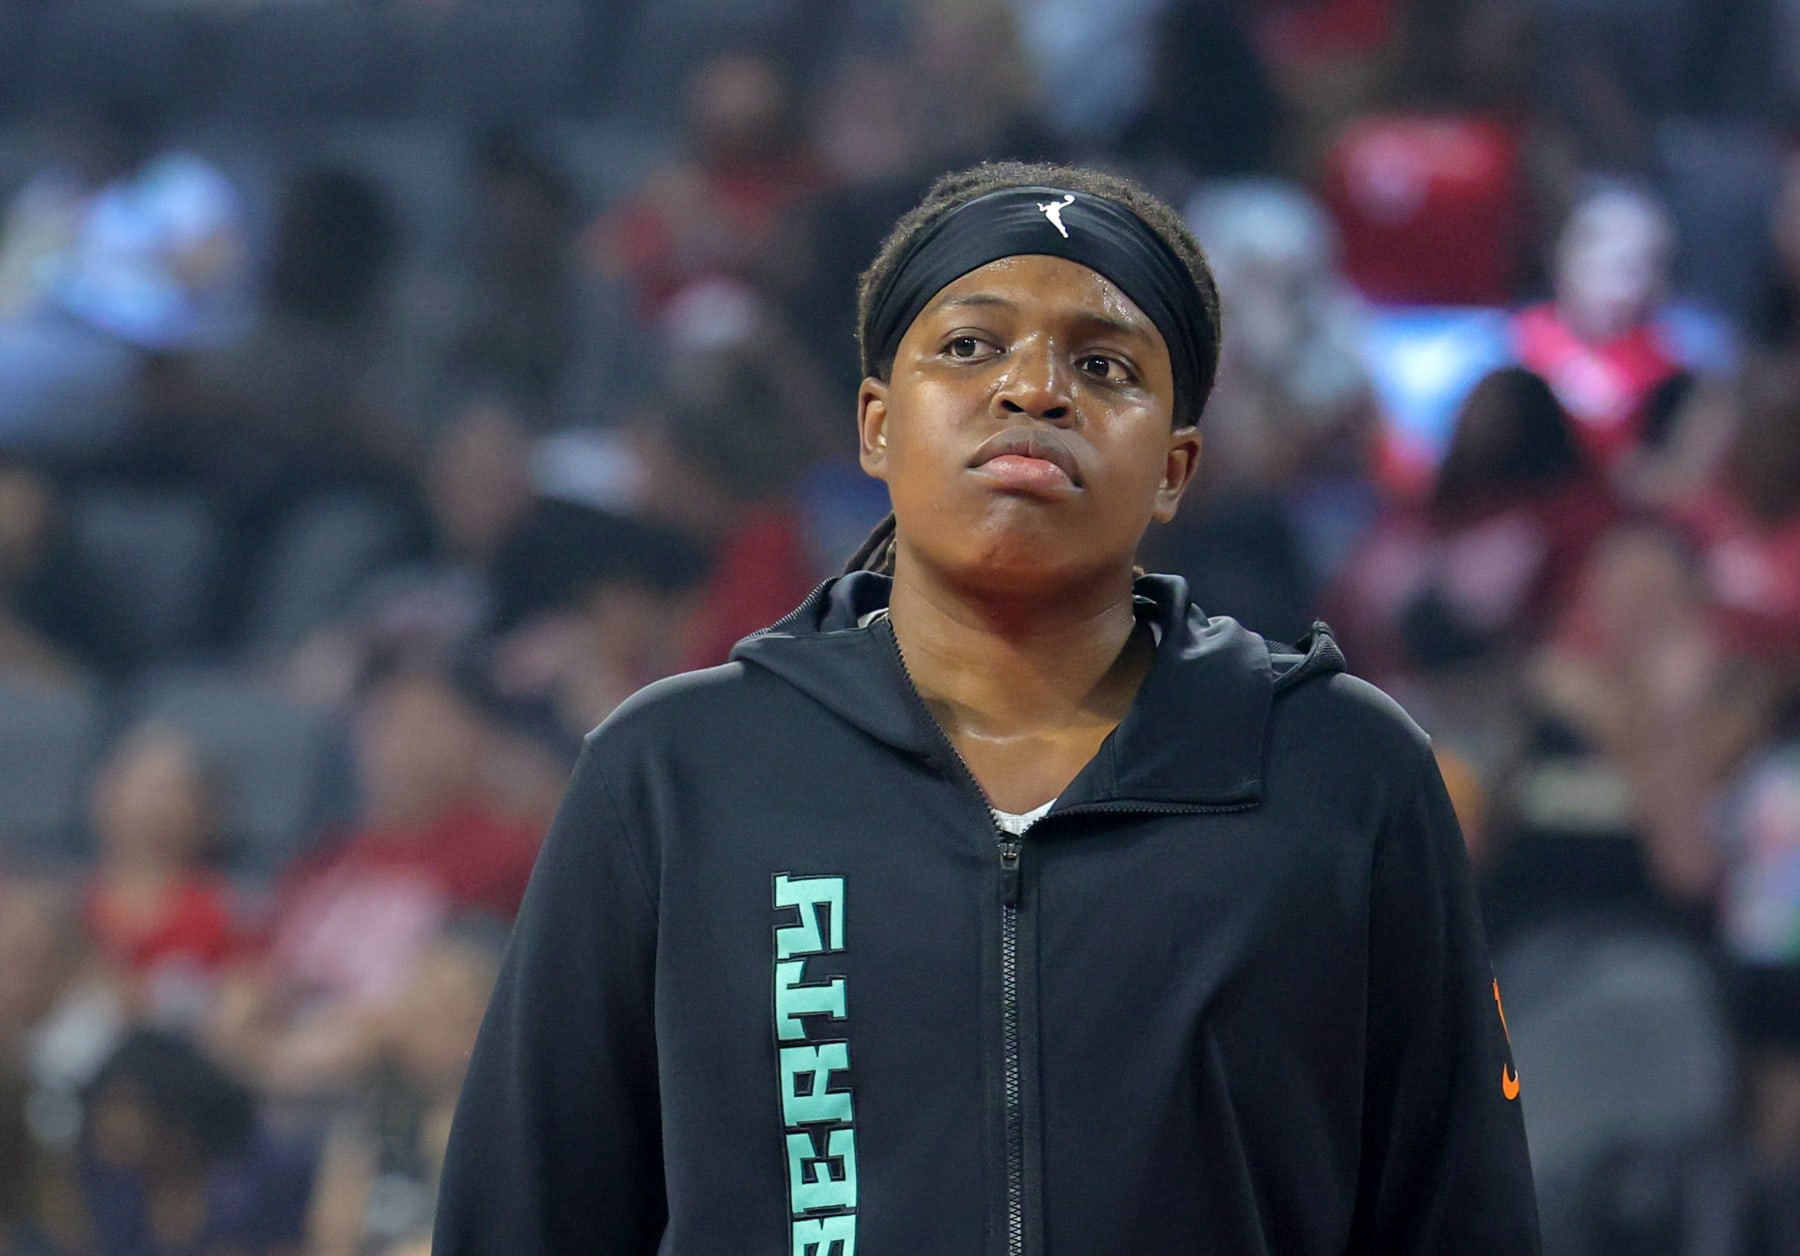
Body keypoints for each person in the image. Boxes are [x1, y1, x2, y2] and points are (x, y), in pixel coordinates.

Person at [434, 161, 1539, 1253]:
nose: (1034, 390)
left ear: (1175, 466)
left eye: (1104, 364)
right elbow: (524, 1222)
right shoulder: (676, 775)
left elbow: (1463, 1219)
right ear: (876, 425)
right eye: (970, 346)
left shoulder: (1344, 774)